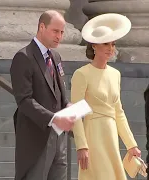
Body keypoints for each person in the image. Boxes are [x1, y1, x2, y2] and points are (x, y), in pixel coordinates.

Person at [71, 13, 141, 180]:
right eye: (106, 44)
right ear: (94, 45)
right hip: (93, 135)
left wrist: (131, 145)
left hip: (111, 135)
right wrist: (81, 146)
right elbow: (75, 113)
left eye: (113, 44)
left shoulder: (115, 74)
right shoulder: (81, 74)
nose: (111, 48)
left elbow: (119, 112)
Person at [10, 10, 76, 180]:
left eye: (62, 32)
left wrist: (67, 105)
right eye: (55, 31)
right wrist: (53, 118)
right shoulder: (23, 57)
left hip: (58, 138)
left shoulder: (56, 56)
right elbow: (24, 100)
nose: (59, 36)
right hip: (36, 138)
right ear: (41, 27)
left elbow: (59, 91)